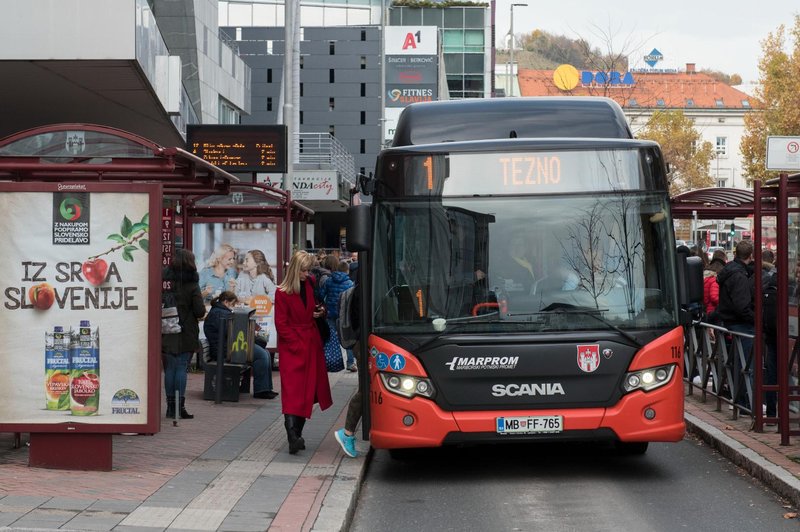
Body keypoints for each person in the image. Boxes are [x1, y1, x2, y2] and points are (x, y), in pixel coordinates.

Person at [275, 250, 333, 454]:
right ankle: (293, 435)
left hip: (310, 342)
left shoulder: (309, 283)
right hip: (294, 347)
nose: (307, 273)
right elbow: (281, 325)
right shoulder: (282, 292)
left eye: (308, 269)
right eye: (303, 270)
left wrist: (319, 311)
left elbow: (314, 306)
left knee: (308, 391)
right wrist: (296, 344)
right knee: (293, 391)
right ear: (294, 269)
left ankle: (296, 436)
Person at [203, 291, 278, 400]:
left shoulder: (220, 311)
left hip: (229, 347)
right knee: (262, 355)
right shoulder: (220, 313)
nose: (233, 307)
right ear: (226, 302)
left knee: (264, 353)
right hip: (225, 350)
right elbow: (231, 332)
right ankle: (261, 390)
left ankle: (265, 389)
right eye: (232, 304)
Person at [162, 248, 206, 419]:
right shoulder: (192, 284)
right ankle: (179, 408)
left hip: (166, 329)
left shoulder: (165, 282)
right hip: (186, 330)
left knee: (169, 368)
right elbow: (200, 311)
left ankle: (169, 407)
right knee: (181, 367)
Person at [716, 240, 756, 409]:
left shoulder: (729, 271)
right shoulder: (739, 275)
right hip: (741, 324)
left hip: (731, 321)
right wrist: (755, 318)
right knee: (746, 364)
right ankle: (746, 402)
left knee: (739, 362)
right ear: (751, 255)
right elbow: (742, 305)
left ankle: (740, 399)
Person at [335, 274, 363, 458]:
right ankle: (347, 433)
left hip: (362, 344)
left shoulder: (362, 289)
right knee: (366, 390)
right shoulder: (364, 292)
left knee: (367, 389)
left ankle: (348, 433)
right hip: (363, 344)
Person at [321, 260, 356, 372]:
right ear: (347, 270)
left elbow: (322, 295)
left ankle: (329, 361)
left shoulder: (329, 281)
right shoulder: (349, 283)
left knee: (331, 338)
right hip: (343, 315)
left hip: (330, 313)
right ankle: (350, 363)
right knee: (346, 338)